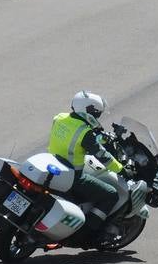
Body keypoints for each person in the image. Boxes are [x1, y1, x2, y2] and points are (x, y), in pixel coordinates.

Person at [48, 91, 127, 247]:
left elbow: (75, 135)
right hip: (72, 177)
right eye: (96, 113)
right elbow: (102, 155)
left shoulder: (59, 118)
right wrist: (121, 169)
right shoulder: (84, 133)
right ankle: (87, 232)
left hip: (53, 166)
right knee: (110, 194)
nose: (97, 117)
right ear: (87, 111)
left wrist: (99, 136)